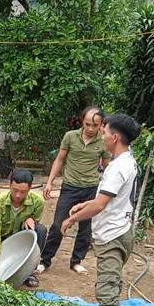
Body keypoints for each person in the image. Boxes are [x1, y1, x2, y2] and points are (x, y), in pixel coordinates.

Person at [60, 113, 140, 306]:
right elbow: (106, 199)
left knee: (107, 290)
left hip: (113, 236)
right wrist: (86, 203)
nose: (102, 136)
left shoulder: (118, 167)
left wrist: (72, 219)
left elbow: (101, 205)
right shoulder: (126, 161)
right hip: (120, 229)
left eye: (104, 132)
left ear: (114, 138)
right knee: (110, 285)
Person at [39, 106, 110, 274]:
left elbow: (107, 167)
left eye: (95, 125)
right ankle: (45, 260)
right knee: (58, 225)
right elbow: (59, 159)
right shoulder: (70, 137)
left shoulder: (103, 141)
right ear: (82, 122)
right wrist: (49, 182)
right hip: (69, 188)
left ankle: (76, 261)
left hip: (91, 189)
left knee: (86, 227)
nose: (91, 129)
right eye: (87, 124)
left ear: (101, 125)